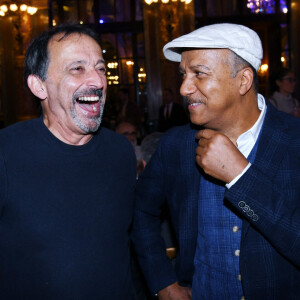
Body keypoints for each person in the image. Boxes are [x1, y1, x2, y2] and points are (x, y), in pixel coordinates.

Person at [131, 23, 300, 299]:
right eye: (184, 74)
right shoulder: (175, 145)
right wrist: (164, 283)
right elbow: (140, 211)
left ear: (243, 81)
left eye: (199, 73)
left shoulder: (294, 142)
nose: (185, 87)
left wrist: (241, 176)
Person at [0, 24, 137, 299]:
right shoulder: (5, 152)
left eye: (101, 68)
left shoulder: (121, 152)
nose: (98, 81)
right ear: (39, 85)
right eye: (78, 69)